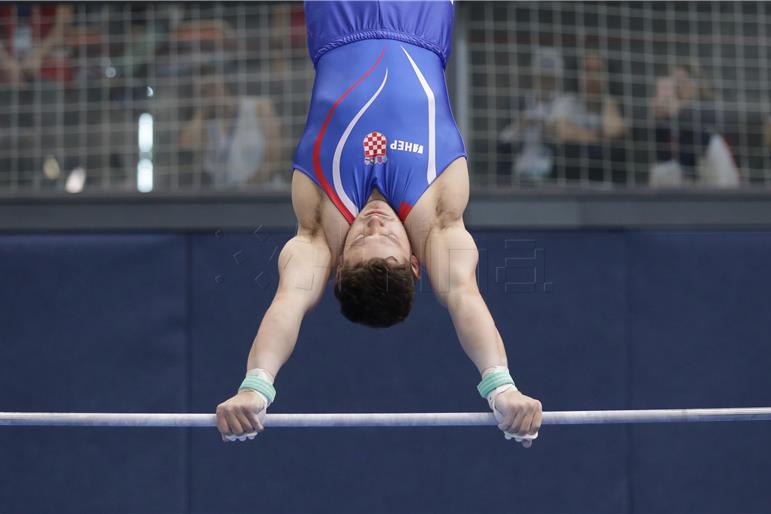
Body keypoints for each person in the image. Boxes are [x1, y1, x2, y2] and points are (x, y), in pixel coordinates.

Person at [215, 1, 542, 446]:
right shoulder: (439, 215)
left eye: (358, 240)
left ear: (334, 264)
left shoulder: (317, 224)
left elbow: (290, 301)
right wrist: (501, 386)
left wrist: (256, 387)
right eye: (385, 237)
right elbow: (463, 295)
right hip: (419, 19)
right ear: (414, 262)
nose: (373, 222)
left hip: (339, 19)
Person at [550, 51, 627, 183]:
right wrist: (598, 137)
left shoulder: (614, 103)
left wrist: (578, 133)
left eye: (598, 71)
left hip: (607, 176)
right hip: (570, 175)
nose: (592, 77)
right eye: (587, 70)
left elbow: (614, 131)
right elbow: (562, 132)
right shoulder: (567, 102)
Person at [497, 47, 568, 183]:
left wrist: (547, 127)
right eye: (542, 78)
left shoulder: (563, 104)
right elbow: (503, 139)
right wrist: (521, 125)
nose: (545, 83)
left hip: (552, 171)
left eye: (550, 79)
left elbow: (564, 139)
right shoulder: (519, 103)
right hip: (520, 169)